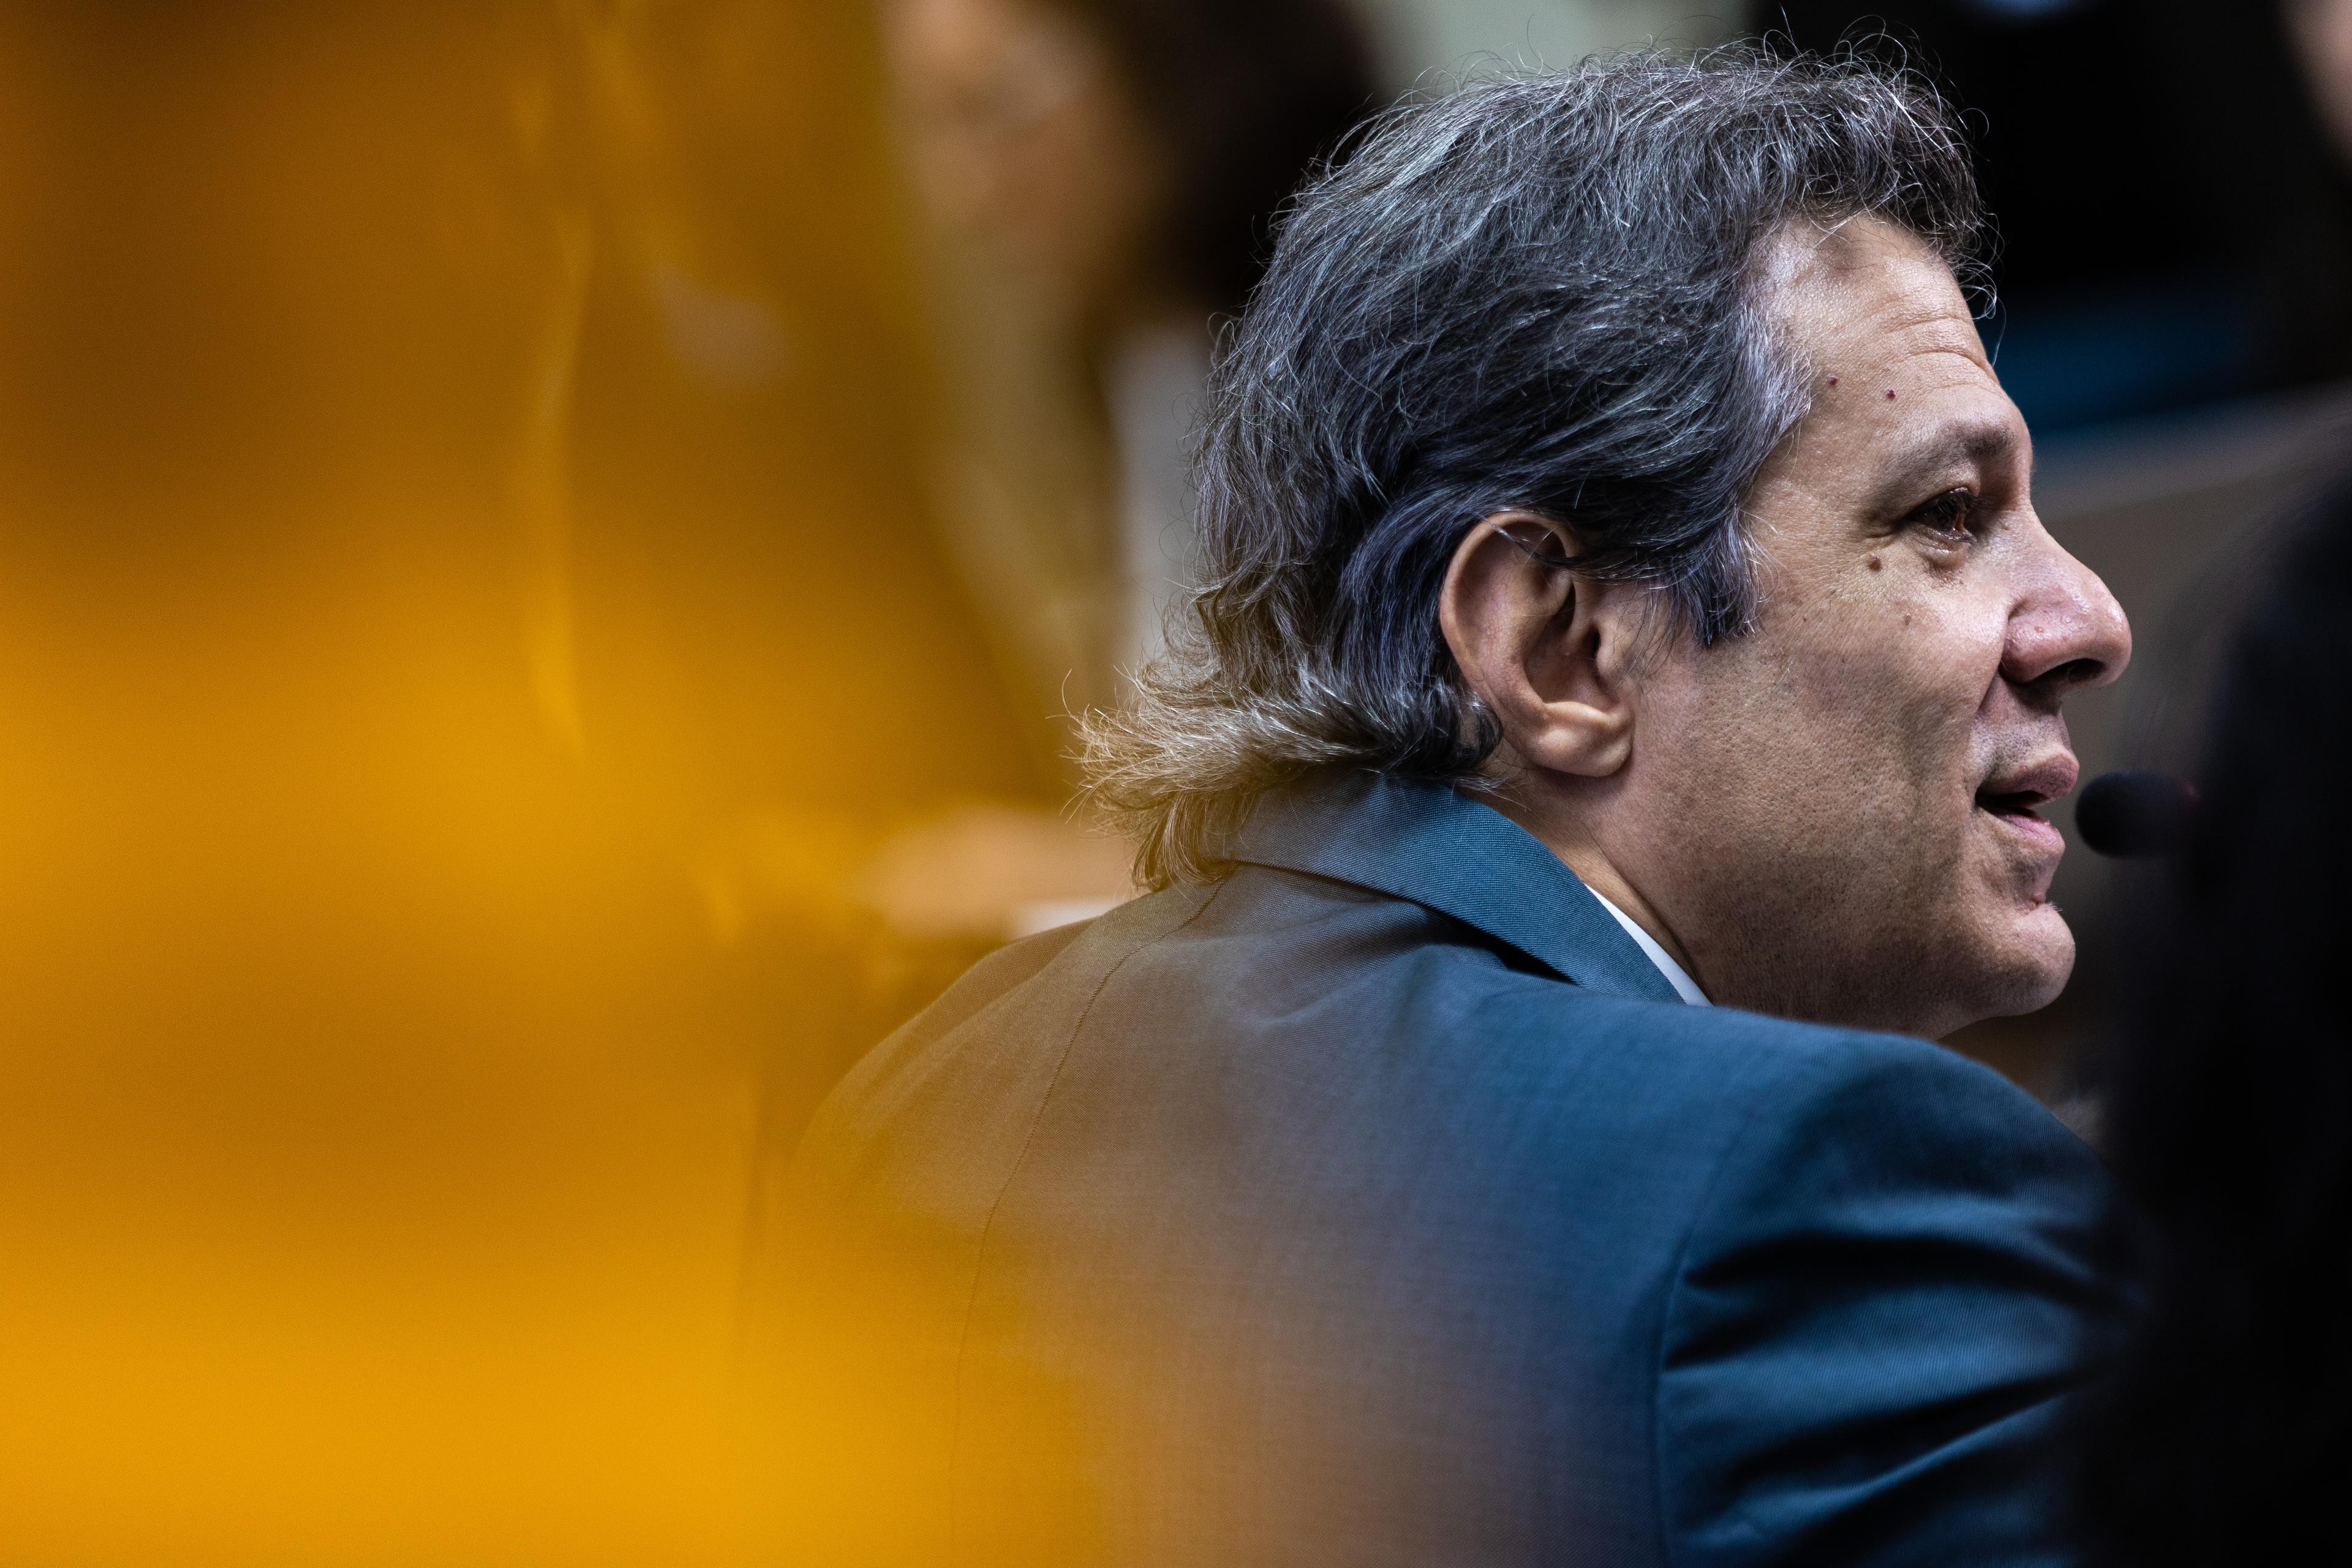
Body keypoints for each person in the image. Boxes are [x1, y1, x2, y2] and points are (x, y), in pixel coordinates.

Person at [750, 50, 2135, 1564]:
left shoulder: (907, 1103)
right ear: (1560, 648)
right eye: (1947, 514)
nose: (2087, 617)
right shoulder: (1819, 1193)